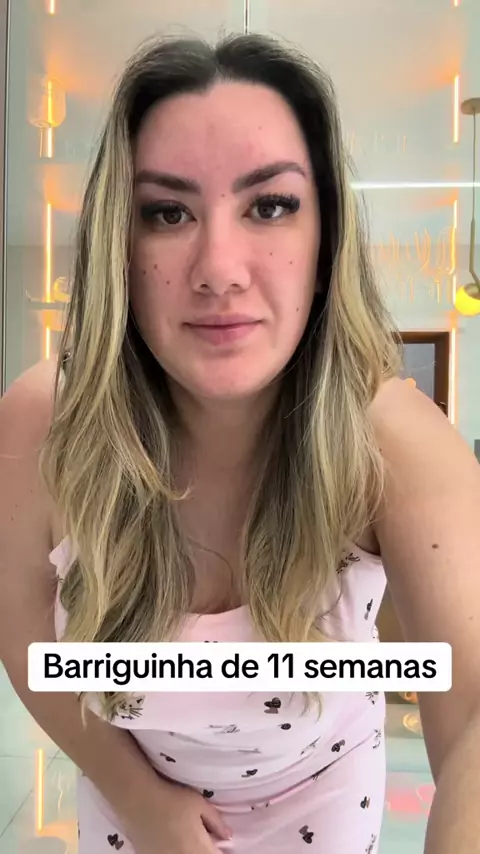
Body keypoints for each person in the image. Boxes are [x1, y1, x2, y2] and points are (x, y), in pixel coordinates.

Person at [0, 32, 479, 854]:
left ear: (325, 241)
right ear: (120, 247)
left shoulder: (396, 441)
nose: (219, 269)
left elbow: (472, 720)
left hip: (329, 807)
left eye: (271, 206)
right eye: (167, 212)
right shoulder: (46, 421)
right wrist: (140, 801)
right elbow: (21, 633)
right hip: (130, 803)